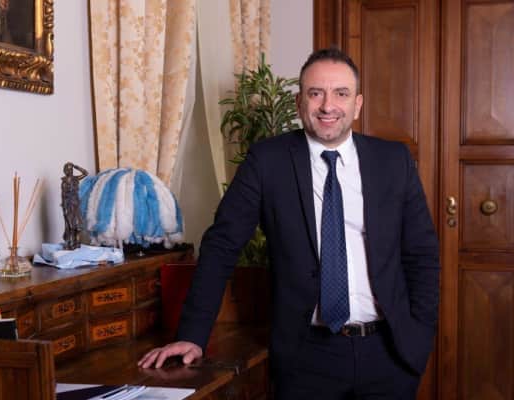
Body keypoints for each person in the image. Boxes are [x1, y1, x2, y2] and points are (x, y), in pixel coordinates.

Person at [138, 48, 440, 399]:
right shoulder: (267, 161)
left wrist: (419, 337)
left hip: (388, 354)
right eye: (316, 93)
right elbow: (222, 245)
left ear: (357, 104)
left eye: (341, 93)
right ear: (299, 102)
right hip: (306, 358)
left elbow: (421, 254)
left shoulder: (392, 160)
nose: (328, 106)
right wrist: (192, 335)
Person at [61, 162, 88, 250]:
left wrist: (76, 166)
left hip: (76, 204)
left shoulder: (76, 179)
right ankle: (70, 243)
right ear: (65, 171)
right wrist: (64, 209)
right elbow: (63, 196)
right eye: (68, 169)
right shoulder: (64, 182)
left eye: (71, 169)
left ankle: (77, 242)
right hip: (68, 205)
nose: (70, 171)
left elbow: (85, 173)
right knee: (70, 225)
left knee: (78, 225)